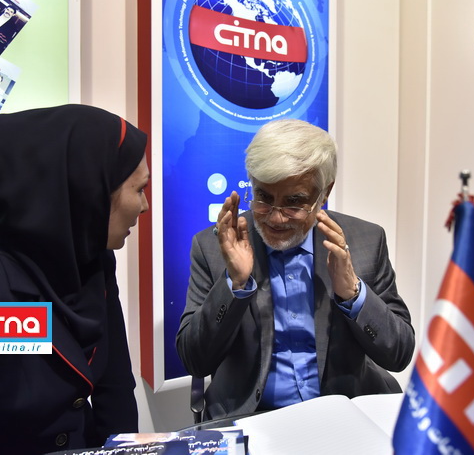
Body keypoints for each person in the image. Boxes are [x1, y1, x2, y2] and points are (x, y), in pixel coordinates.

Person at [0, 104, 149, 454]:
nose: (144, 206)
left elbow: (115, 393)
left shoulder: (91, 261)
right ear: (88, 190)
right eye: (139, 189)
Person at [176, 119, 415, 420]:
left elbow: (399, 354)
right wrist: (235, 284)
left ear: (324, 193)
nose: (276, 218)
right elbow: (195, 361)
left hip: (342, 414)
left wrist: (353, 294)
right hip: (252, 417)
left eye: (294, 203)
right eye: (264, 198)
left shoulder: (365, 241)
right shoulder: (213, 247)